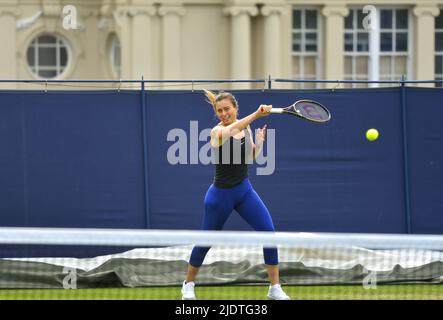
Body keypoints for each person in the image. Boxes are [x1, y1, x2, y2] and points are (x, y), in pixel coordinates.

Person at [181, 90, 290, 300]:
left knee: (269, 232)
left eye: (227, 109)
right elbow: (232, 129)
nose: (223, 113)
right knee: (205, 242)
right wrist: (257, 114)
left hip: (244, 191)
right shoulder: (216, 132)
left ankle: (274, 288)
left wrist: (259, 144)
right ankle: (188, 284)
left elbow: (251, 157)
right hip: (219, 197)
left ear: (235, 108)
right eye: (219, 110)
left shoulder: (245, 126)